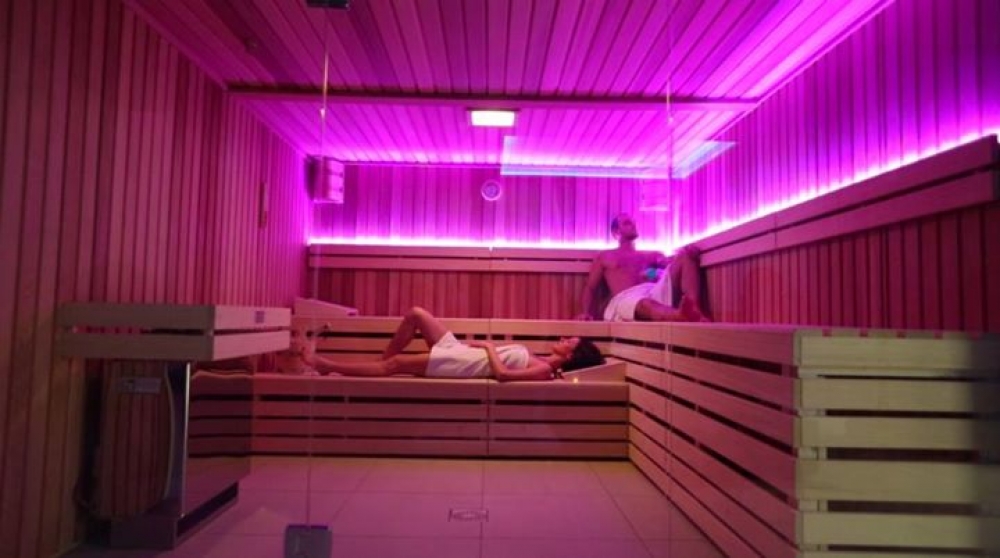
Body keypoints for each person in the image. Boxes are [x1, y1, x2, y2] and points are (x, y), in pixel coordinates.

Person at [308, 306, 605, 381]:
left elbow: (503, 376)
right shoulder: (539, 360)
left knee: (396, 365)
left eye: (569, 341)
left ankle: (328, 366)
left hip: (463, 365)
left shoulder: (545, 371)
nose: (563, 339)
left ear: (572, 356)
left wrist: (489, 347)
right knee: (416, 314)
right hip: (464, 353)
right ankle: (377, 365)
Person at [577, 213, 708, 322]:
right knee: (646, 303)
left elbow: (671, 265)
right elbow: (590, 287)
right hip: (626, 298)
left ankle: (694, 309)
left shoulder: (651, 255)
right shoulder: (605, 256)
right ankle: (681, 315)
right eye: (627, 223)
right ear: (616, 232)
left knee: (685, 256)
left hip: (653, 291)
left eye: (633, 222)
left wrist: (690, 252)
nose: (633, 225)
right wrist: (585, 313)